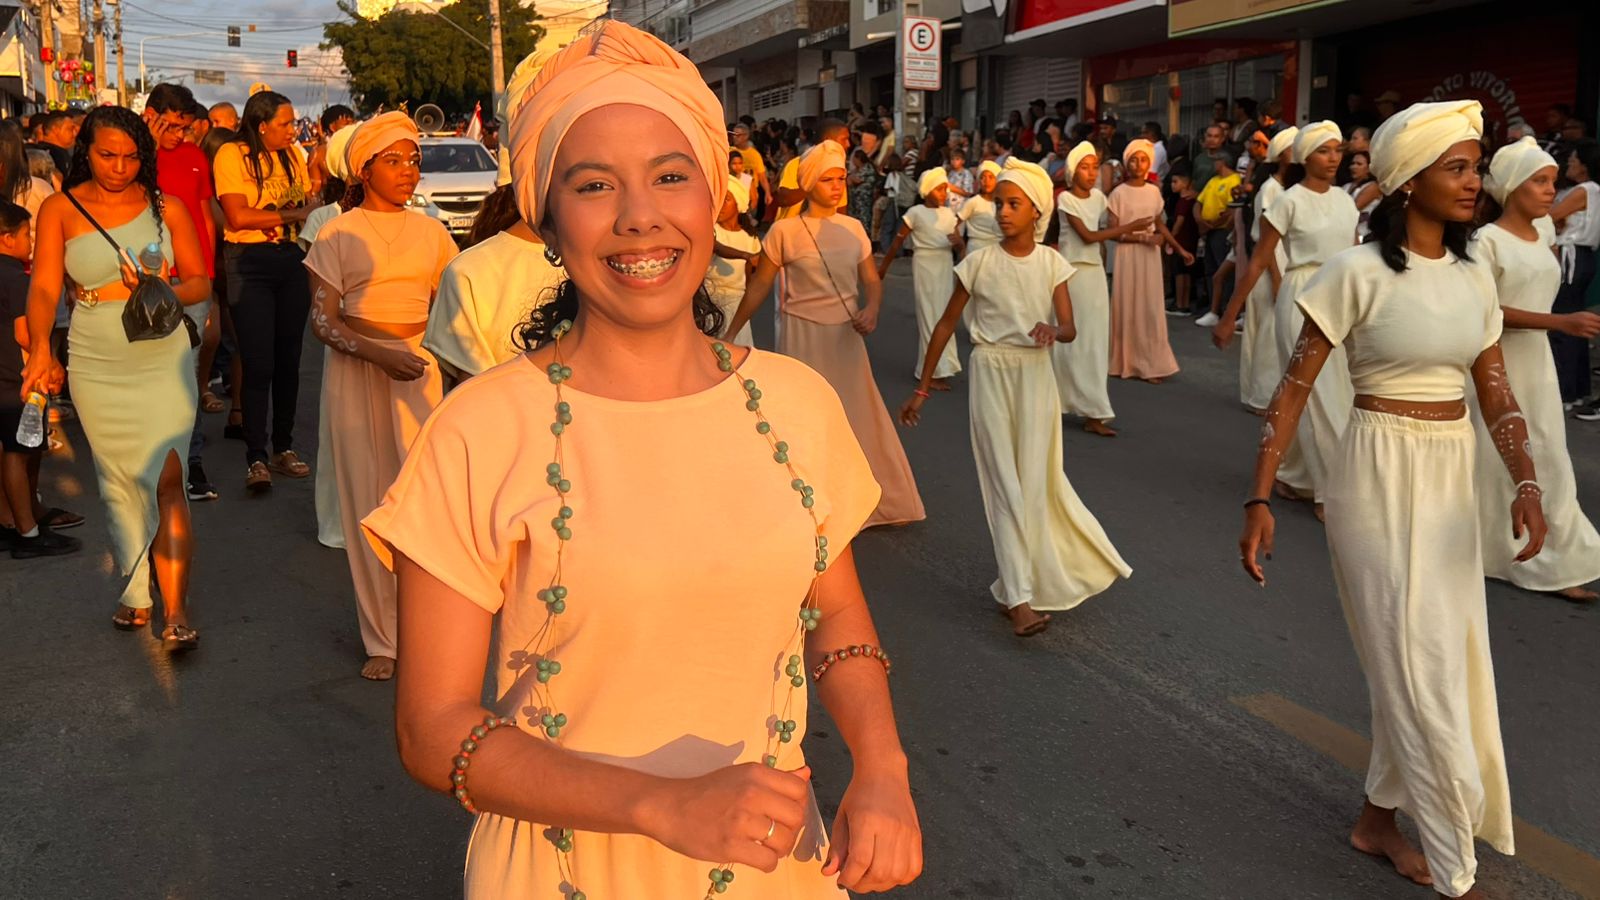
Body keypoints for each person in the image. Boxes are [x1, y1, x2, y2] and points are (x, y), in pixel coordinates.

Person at [362, 22, 922, 898]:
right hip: (562, 872)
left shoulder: (797, 403)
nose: (640, 217)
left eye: (671, 175)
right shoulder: (481, 428)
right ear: (546, 219)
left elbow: (838, 615)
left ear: (714, 201)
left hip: (775, 861)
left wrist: (883, 767)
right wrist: (662, 804)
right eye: (594, 185)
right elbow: (431, 732)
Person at [1238, 99, 1540, 900]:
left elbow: (1497, 392)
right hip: (1371, 470)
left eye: (1478, 166)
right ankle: (1451, 859)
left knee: (1445, 655)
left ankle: (1378, 820)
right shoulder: (1354, 272)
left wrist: (1528, 481)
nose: (1476, 181)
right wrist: (1259, 497)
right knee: (1411, 662)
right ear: (1410, 183)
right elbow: (1294, 389)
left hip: (1450, 477)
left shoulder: (1477, 275)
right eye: (1459, 167)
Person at [900, 159, 1129, 637]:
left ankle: (1033, 577)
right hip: (990, 371)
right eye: (1000, 203)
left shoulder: (1052, 264)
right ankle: (1020, 597)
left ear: (1036, 210)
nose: (1003, 212)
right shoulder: (979, 261)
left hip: (1036, 376)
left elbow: (1069, 327)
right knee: (1003, 481)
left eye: (1013, 203)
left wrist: (1055, 329)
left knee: (1037, 481)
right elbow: (945, 325)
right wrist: (922, 389)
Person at [20, 106, 211, 649]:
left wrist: (160, 289)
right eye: (108, 155)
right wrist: (39, 348)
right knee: (119, 478)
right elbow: (43, 288)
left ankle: (175, 609)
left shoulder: (165, 208)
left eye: (131, 157)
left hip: (161, 354)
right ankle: (136, 591)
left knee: (167, 476)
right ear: (87, 151)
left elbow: (199, 281)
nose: (119, 167)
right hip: (96, 357)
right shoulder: (60, 207)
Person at [305, 113, 456, 681]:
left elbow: (451, 311)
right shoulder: (337, 233)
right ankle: (382, 638)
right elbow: (324, 322)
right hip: (357, 375)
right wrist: (378, 352)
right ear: (364, 169)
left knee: (423, 508)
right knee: (367, 505)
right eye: (393, 160)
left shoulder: (435, 232)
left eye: (413, 160)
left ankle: (426, 629)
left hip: (419, 374)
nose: (408, 171)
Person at [724, 142, 924, 528]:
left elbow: (871, 279)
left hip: (845, 338)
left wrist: (872, 309)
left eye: (841, 178)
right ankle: (816, 508)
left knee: (859, 417)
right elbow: (760, 286)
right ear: (810, 182)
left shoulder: (853, 229)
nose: (838, 186)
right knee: (806, 423)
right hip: (801, 338)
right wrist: (731, 332)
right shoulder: (784, 231)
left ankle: (881, 500)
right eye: (829, 179)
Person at [1472, 137, 1600, 601]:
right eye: (1540, 181)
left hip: (1537, 363)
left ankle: (1558, 563)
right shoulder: (1486, 241)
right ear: (1510, 188)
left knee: (1547, 455)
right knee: (1493, 459)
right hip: (1497, 362)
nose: (1552, 190)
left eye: (1553, 180)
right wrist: (1560, 321)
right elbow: (1484, 311)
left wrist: (1558, 322)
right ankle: (1497, 553)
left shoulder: (1545, 230)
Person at [1215, 122, 1356, 516]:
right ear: (1305, 156)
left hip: (1340, 294)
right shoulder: (1287, 200)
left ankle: (1293, 472)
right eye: (1324, 151)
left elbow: (1357, 254)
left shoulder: (1347, 201)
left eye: (1338, 150)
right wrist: (1229, 316)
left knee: (1339, 391)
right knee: (1317, 392)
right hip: (1301, 296)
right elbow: (1259, 260)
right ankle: (1330, 489)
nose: (1333, 158)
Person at [214, 91, 322, 493]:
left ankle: (283, 447)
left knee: (289, 360)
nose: (293, 130)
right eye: (285, 123)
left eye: (293, 123)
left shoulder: (292, 153)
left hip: (290, 258)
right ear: (261, 125)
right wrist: (297, 213)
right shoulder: (232, 154)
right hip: (249, 262)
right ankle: (255, 456)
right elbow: (238, 215)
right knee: (259, 363)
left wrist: (308, 203)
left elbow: (302, 198)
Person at [143, 83, 224, 502]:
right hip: (145, 283)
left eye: (185, 127)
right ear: (150, 116)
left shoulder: (194, 157)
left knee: (186, 376)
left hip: (192, 284)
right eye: (172, 127)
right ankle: (150, 461)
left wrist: (208, 273)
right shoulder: (133, 159)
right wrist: (149, 146)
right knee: (147, 373)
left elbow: (206, 217)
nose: (180, 136)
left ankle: (189, 462)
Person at [0, 200, 79, 558]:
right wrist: (49, 362)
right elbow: (23, 333)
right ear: (5, 238)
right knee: (21, 453)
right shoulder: (16, 277)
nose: (30, 241)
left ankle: (9, 521)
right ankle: (28, 533)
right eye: (26, 234)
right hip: (15, 380)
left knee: (8, 450)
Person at [1054, 141, 1150, 435]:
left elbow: (1102, 237)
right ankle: (1055, 402)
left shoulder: (1098, 197)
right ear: (1072, 171)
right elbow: (1087, 235)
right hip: (1072, 274)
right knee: (1071, 342)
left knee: (1095, 343)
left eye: (1094, 166)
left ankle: (1094, 412)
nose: (1091, 172)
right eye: (1084, 167)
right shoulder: (1066, 200)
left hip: (1094, 274)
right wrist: (1127, 228)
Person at [1107, 139, 1192, 383]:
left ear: (1149, 163)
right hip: (1128, 258)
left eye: (1143, 159)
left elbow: (1160, 225)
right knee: (1128, 308)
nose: (1138, 164)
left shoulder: (1154, 192)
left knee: (1150, 309)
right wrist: (1142, 239)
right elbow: (1114, 233)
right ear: (1126, 163)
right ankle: (1126, 362)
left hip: (1150, 259)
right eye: (1133, 159)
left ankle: (1151, 364)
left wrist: (1178, 248)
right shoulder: (1118, 194)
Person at [879, 168, 963, 388]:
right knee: (929, 316)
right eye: (939, 188)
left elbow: (959, 248)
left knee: (945, 315)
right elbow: (897, 242)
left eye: (945, 188)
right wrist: (883, 268)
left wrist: (959, 244)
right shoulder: (915, 212)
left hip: (945, 265)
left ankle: (942, 367)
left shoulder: (948, 214)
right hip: (925, 264)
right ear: (926, 191)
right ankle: (931, 372)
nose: (944, 193)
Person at [1235, 126, 1297, 414]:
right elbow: (1265, 240)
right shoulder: (1269, 190)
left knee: (1278, 331)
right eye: (1292, 148)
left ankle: (1270, 392)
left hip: (1288, 264)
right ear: (1280, 155)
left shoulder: (1291, 189)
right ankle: (1260, 395)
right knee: (1267, 332)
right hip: (1271, 266)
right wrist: (1275, 277)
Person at [1549, 140, 1600, 416]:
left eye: (1573, 160)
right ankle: (1579, 390)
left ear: (1584, 166)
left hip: (1570, 256)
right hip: (1584, 257)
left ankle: (1565, 392)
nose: (1569, 164)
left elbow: (1549, 215)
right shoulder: (1593, 191)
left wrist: (1556, 220)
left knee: (1563, 324)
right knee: (1576, 324)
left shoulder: (1584, 189)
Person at [707, 176, 759, 345]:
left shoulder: (749, 238)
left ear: (738, 204)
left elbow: (750, 278)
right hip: (713, 301)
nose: (720, 205)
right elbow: (716, 246)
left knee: (738, 347)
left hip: (737, 304)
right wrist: (745, 255)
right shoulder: (711, 230)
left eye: (726, 200)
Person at [1192, 152, 1242, 327]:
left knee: (1223, 270)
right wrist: (1200, 219)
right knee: (1210, 269)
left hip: (1221, 231)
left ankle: (1224, 308)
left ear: (1223, 162)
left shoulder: (1234, 180)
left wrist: (1212, 224)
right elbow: (1198, 202)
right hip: (1208, 230)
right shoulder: (1213, 181)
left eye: (1216, 161)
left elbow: (1231, 208)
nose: (1214, 164)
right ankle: (1212, 307)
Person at [308, 104, 356, 198]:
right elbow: (315, 188)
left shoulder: (360, 148)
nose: (352, 127)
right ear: (332, 127)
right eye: (346, 123)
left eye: (352, 123)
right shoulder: (319, 154)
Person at [1344, 150, 1380, 239]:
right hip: (1345, 233)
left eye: (1359, 164)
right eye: (1352, 163)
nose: (1353, 167)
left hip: (1363, 234)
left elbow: (1354, 208)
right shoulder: (1345, 186)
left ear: (1368, 168)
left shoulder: (1373, 186)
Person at [845, 148, 878, 239]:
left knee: (864, 220)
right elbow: (849, 181)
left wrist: (851, 177)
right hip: (854, 200)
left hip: (863, 200)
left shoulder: (867, 168)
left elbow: (856, 180)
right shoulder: (856, 169)